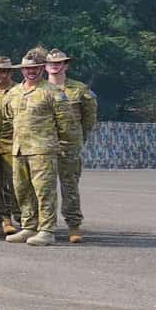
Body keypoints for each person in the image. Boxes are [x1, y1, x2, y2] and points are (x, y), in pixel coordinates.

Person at [6, 55, 73, 247]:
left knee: (44, 191)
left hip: (42, 149)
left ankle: (47, 230)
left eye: (35, 68)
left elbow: (66, 123)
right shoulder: (14, 92)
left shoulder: (52, 92)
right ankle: (29, 226)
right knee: (22, 190)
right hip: (19, 149)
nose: (31, 71)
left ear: (42, 68)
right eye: (27, 68)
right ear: (22, 70)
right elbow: (8, 116)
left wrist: (63, 146)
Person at [43, 49, 96, 243]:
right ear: (45, 66)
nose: (55, 66)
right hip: (43, 145)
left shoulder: (79, 89)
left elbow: (89, 118)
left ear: (66, 65)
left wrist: (78, 137)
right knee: (42, 189)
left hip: (69, 145)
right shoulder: (39, 88)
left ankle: (74, 226)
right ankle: (42, 225)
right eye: (51, 63)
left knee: (70, 186)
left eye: (59, 63)